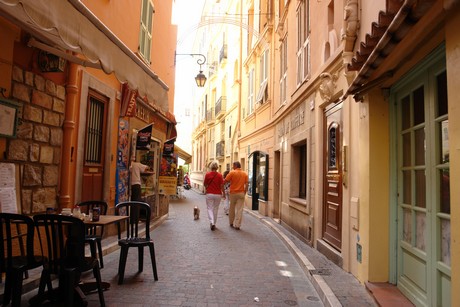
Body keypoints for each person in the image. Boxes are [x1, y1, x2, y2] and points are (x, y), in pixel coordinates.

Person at [224, 161, 248, 230]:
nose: (232, 167)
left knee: (232, 208)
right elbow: (246, 184)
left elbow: (225, 180)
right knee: (239, 209)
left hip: (233, 193)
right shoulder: (244, 174)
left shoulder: (232, 172)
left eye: (233, 166)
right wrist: (245, 192)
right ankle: (237, 225)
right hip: (241, 193)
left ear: (235, 166)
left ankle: (231, 222)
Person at [203, 161, 224, 231]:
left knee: (210, 208)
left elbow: (205, 184)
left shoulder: (207, 175)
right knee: (216, 209)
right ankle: (214, 223)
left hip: (210, 193)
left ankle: (212, 222)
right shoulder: (220, 175)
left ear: (211, 167)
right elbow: (222, 185)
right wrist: (223, 193)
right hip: (218, 194)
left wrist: (207, 188)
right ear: (217, 167)